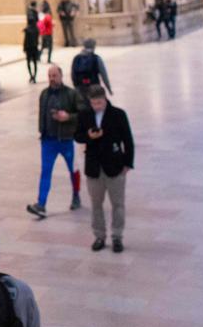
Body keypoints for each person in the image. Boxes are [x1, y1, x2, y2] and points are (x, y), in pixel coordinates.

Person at [75, 86, 134, 253]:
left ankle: (117, 236)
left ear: (105, 99)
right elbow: (77, 136)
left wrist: (128, 163)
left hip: (114, 166)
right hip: (94, 167)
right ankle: (99, 235)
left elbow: (128, 140)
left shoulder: (118, 115)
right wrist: (89, 136)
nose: (96, 106)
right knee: (96, 204)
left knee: (118, 204)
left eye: (99, 102)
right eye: (93, 103)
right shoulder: (85, 114)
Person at [27, 64, 81, 219]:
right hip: (48, 141)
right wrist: (42, 133)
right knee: (45, 172)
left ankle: (76, 195)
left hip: (66, 140)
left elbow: (83, 115)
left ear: (61, 76)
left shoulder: (71, 94)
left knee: (73, 170)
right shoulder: (44, 94)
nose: (52, 78)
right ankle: (41, 204)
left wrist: (68, 117)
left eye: (54, 75)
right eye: (50, 76)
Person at [70, 38, 113, 107]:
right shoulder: (96, 58)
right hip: (95, 88)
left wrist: (76, 88)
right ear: (93, 47)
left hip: (80, 89)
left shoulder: (76, 58)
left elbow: (73, 75)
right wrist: (109, 89)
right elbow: (104, 76)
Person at [23, 16, 40, 84]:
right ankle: (34, 76)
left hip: (29, 48)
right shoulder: (36, 29)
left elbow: (26, 40)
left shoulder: (27, 29)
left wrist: (24, 48)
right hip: (35, 48)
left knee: (28, 63)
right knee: (35, 63)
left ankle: (31, 76)